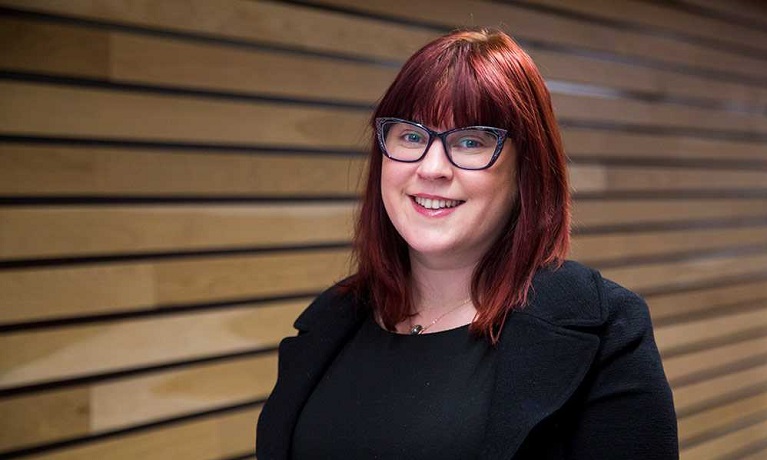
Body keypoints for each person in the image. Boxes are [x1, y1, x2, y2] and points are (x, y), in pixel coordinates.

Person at [256, 28, 678, 459]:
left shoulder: (607, 333)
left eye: (471, 141)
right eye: (412, 136)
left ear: (526, 170)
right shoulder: (332, 320)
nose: (432, 167)